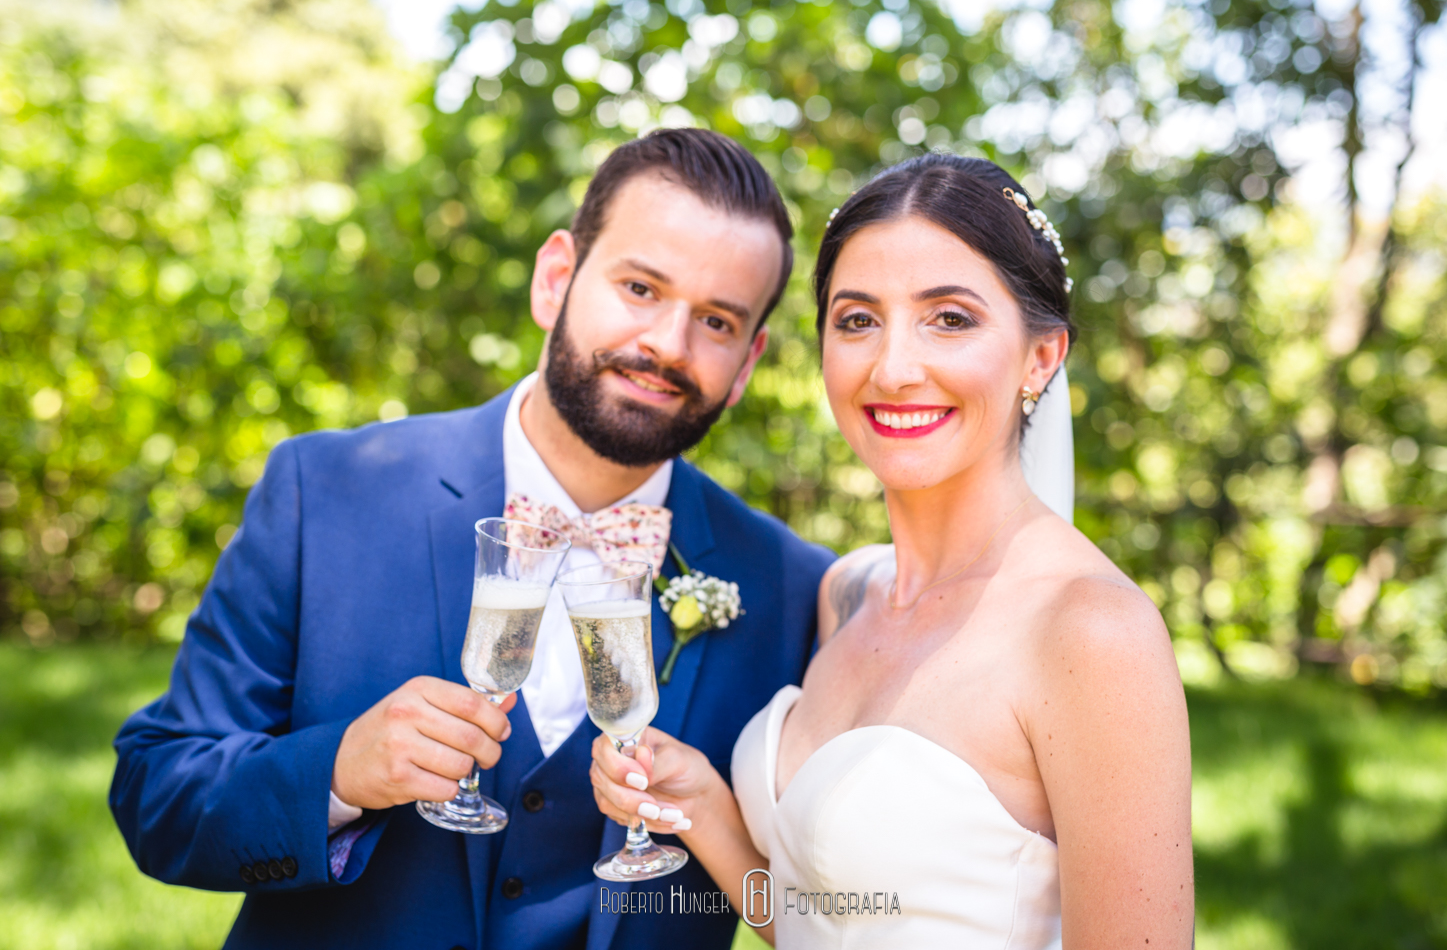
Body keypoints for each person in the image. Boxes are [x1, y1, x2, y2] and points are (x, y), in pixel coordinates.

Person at [109, 128, 835, 950]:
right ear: (556, 278)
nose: (668, 344)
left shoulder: (792, 587)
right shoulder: (327, 491)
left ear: (746, 362)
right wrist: (339, 773)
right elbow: (156, 793)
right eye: (639, 288)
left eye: (716, 320)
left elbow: (822, 915)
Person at [589, 154, 1195, 948]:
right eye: (857, 319)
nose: (894, 367)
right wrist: (704, 808)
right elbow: (822, 921)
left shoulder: (1088, 634)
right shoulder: (846, 592)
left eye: (950, 318)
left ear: (1041, 358)